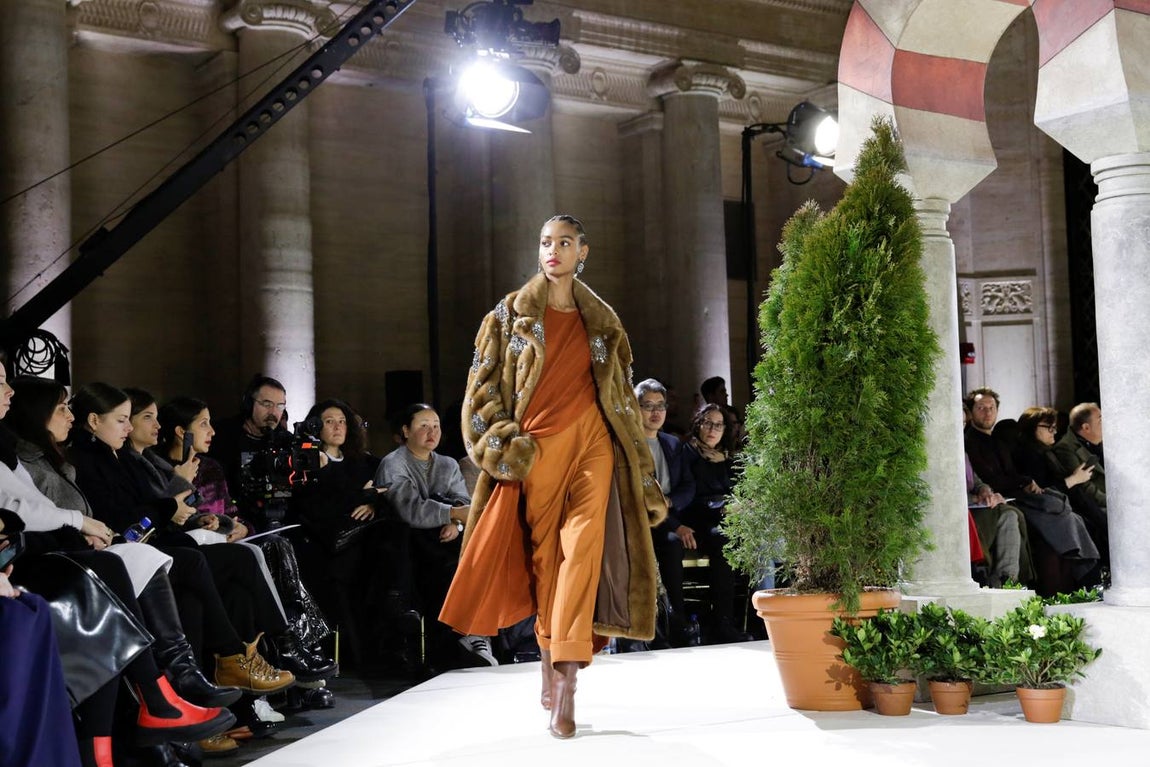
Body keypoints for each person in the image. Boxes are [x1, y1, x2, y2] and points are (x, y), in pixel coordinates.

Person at [439, 214, 667, 739]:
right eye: (546, 242)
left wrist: (643, 472)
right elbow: (480, 394)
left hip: (595, 443)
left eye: (564, 243)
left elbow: (624, 403)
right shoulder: (506, 315)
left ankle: (566, 685)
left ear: (583, 251)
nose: (553, 251)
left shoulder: (605, 324)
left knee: (581, 554)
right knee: (546, 562)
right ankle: (550, 657)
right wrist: (504, 446)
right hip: (536, 449)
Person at [375, 403, 495, 670]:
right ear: (406, 431)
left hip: (444, 539)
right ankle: (466, 636)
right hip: (407, 547)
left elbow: (462, 501)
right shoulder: (393, 463)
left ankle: (474, 634)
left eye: (436, 426)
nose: (432, 432)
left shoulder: (448, 464)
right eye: (423, 426)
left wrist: (456, 523)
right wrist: (453, 514)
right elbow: (409, 509)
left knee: (477, 557)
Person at [965, 389, 1098, 594]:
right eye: (981, 408)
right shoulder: (970, 442)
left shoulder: (998, 442)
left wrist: (1024, 482)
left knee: (1064, 510)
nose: (987, 412)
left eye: (992, 408)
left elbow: (1000, 476)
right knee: (1056, 510)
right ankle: (1087, 576)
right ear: (971, 413)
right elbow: (990, 478)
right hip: (1002, 499)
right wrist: (1023, 482)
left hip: (1014, 493)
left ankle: (1089, 574)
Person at [292, 398, 389, 672]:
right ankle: (357, 658)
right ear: (315, 426)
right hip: (326, 541)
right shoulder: (308, 461)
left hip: (363, 539)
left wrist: (371, 502)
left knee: (386, 546)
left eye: (343, 421)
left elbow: (385, 493)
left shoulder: (363, 462)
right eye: (330, 421)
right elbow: (316, 506)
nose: (338, 427)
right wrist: (362, 495)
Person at [681, 404, 752, 644]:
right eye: (708, 423)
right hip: (697, 519)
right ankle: (722, 622)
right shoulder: (688, 453)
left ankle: (751, 619)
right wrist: (719, 506)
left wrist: (738, 505)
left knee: (751, 538)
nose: (713, 429)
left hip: (726, 518)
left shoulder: (726, 458)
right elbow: (688, 495)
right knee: (724, 540)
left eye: (719, 425)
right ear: (698, 424)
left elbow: (736, 491)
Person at [634, 377, 696, 647]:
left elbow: (688, 485)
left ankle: (677, 624)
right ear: (635, 408)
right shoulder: (629, 445)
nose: (656, 412)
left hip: (667, 521)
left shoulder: (672, 443)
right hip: (639, 522)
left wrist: (670, 504)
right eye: (648, 406)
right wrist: (671, 520)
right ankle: (651, 631)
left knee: (672, 546)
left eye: (660, 405)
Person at [1015, 406, 1108, 569]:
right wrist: (1074, 479)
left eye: (1054, 427)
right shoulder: (1029, 454)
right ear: (1032, 429)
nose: (1054, 431)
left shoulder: (1046, 451)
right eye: (1048, 427)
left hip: (1070, 503)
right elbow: (1043, 491)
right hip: (1053, 509)